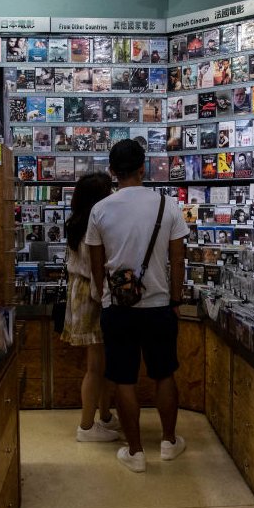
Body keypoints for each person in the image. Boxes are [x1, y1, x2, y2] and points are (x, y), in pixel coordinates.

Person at [87, 139, 190, 473]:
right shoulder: (168, 205)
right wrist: (175, 300)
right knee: (164, 375)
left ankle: (135, 452)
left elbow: (96, 264)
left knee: (124, 380)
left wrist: (105, 298)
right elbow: (178, 260)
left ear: (113, 171)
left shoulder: (100, 210)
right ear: (144, 168)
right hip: (160, 305)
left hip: (117, 309)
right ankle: (169, 442)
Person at [63, 173, 121, 442]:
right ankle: (86, 427)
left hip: (84, 292)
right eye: (108, 191)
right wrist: (106, 299)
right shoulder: (91, 227)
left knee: (103, 363)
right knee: (96, 366)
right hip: (92, 295)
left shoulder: (78, 223)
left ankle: (105, 417)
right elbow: (93, 270)